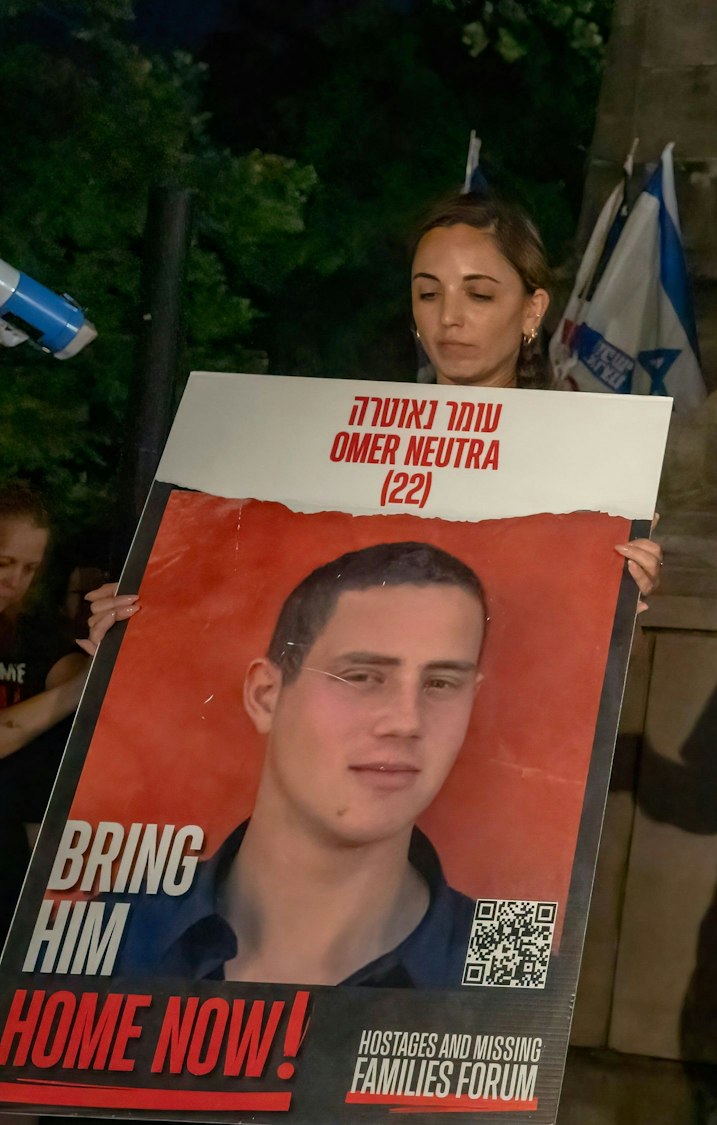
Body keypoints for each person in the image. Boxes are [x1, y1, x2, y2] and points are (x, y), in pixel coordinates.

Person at [83, 192, 662, 647]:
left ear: (532, 309)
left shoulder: (583, 470)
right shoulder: (336, 450)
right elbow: (259, 592)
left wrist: (606, 600)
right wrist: (150, 613)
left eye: (479, 295)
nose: (451, 318)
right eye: (428, 294)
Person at [115, 542, 486, 987]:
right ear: (265, 696)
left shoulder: (513, 962)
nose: (407, 721)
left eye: (442, 683)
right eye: (363, 677)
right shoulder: (110, 931)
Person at [0, 484, 88, 912]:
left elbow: (76, 672)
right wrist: (80, 689)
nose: (15, 581)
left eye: (30, 568)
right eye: (4, 563)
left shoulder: (30, 633)